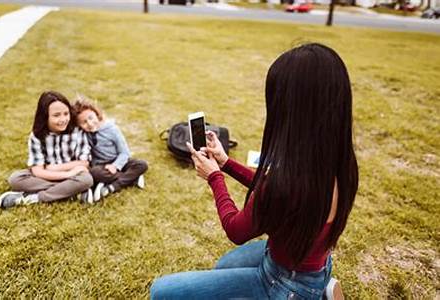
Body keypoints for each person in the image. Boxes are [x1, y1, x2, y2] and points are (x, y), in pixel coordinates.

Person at [150, 43, 358, 299]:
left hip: (283, 283)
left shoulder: (287, 183)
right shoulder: (335, 163)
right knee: (222, 267)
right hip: (310, 262)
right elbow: (273, 191)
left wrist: (214, 177)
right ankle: (319, 288)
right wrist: (226, 163)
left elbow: (236, 230)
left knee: (161, 292)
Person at [0, 91, 94, 209]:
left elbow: (83, 163)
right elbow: (38, 171)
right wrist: (68, 174)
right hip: (51, 176)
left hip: (73, 174)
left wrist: (58, 169)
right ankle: (70, 192)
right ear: (45, 116)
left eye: (66, 113)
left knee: (86, 179)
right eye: (56, 115)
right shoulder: (37, 136)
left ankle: (32, 198)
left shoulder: (76, 130)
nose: (63, 119)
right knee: (16, 179)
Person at [72, 97, 148, 202]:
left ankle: (113, 186)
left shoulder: (112, 129)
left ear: (96, 114)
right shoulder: (84, 134)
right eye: (84, 122)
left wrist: (116, 166)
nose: (89, 123)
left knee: (141, 164)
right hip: (102, 166)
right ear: (79, 125)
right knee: (95, 173)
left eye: (91, 118)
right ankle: (131, 178)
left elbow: (124, 152)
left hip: (119, 161)